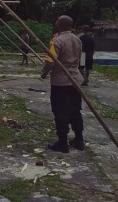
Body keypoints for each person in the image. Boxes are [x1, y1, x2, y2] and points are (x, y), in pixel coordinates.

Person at [40, 15, 85, 153]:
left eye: (57, 21)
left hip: (61, 82)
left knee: (60, 112)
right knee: (75, 111)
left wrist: (43, 73)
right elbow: (80, 59)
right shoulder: (77, 39)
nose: (55, 23)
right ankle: (79, 140)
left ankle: (62, 142)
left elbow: (50, 61)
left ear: (61, 25)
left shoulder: (57, 41)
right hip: (75, 80)